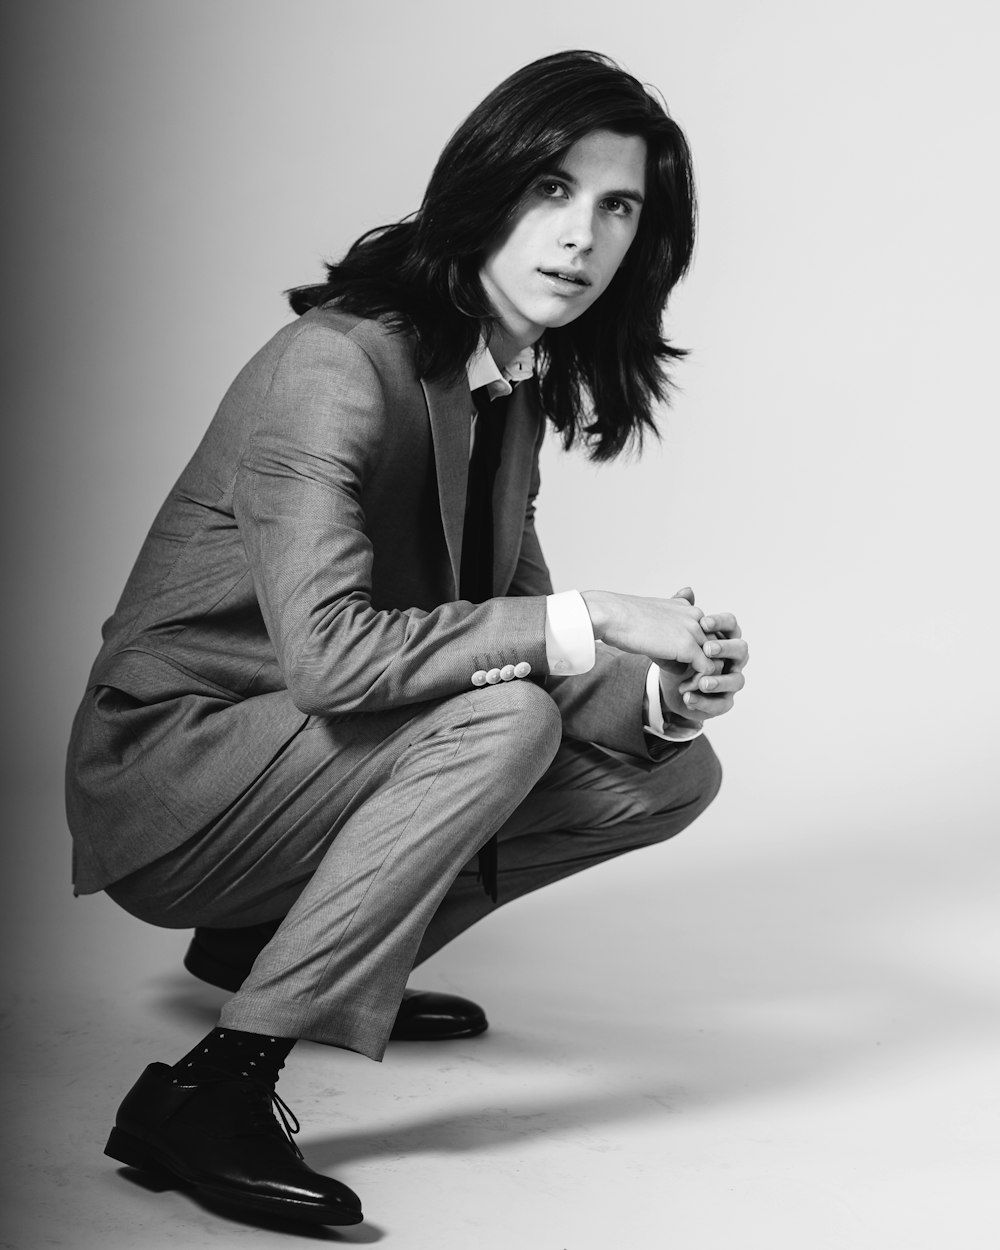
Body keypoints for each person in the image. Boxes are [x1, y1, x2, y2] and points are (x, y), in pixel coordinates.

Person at [65, 49, 748, 1226]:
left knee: (671, 771)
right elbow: (338, 656)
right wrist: (603, 615)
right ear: (483, 188)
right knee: (506, 715)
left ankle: (282, 948)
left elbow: (517, 627)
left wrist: (660, 692)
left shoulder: (508, 387)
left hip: (302, 759)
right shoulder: (334, 366)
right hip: (173, 773)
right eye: (550, 189)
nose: (579, 235)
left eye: (616, 206)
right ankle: (207, 1093)